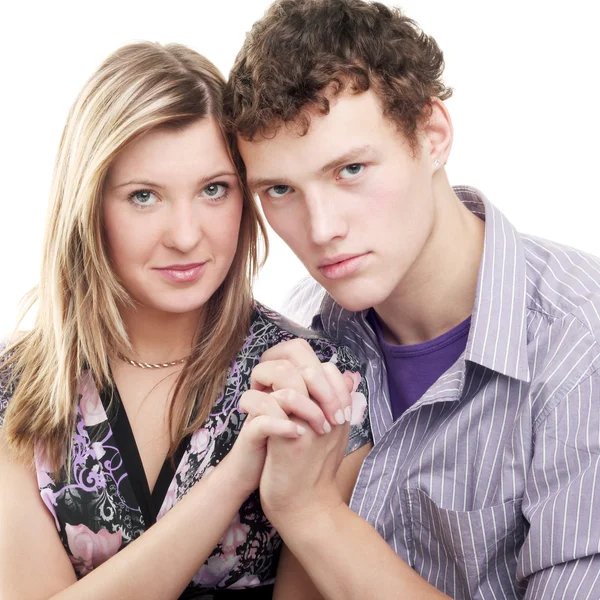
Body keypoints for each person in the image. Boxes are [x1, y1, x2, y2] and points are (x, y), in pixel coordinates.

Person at [224, 0, 600, 598]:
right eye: (281, 189)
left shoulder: (582, 343)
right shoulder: (300, 330)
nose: (321, 229)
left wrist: (312, 512)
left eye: (350, 170)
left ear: (432, 135)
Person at [0, 41, 372, 599]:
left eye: (213, 190)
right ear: (89, 205)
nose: (185, 235)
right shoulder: (22, 384)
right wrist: (236, 475)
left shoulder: (315, 379)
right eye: (144, 196)